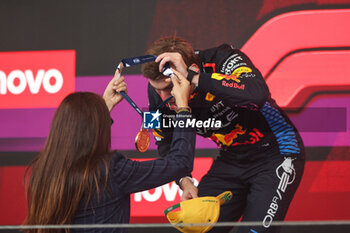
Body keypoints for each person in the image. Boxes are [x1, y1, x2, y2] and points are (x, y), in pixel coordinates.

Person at [142, 36, 305, 233]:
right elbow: (165, 143)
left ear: (191, 68)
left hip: (277, 151)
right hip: (231, 159)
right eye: (157, 88)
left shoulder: (223, 58)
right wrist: (184, 181)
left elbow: (257, 94)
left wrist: (194, 78)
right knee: (197, 229)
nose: (165, 98)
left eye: (169, 87)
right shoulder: (159, 93)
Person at [24, 66, 196, 233]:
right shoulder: (110, 170)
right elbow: (180, 163)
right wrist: (182, 108)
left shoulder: (42, 170)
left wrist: (103, 106)